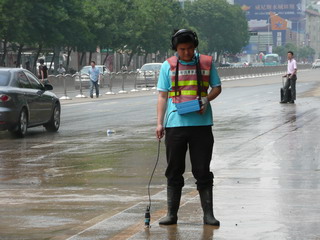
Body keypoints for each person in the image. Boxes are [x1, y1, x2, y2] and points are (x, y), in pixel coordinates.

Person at [156, 29, 222, 226]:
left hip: (201, 126)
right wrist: (160, 123)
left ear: (195, 46)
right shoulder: (167, 66)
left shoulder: (206, 63)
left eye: (190, 48)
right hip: (175, 125)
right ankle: (171, 214)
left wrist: (206, 99)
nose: (186, 53)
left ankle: (208, 215)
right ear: (175, 48)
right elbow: (162, 96)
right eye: (182, 49)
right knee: (174, 169)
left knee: (202, 170)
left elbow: (217, 87)